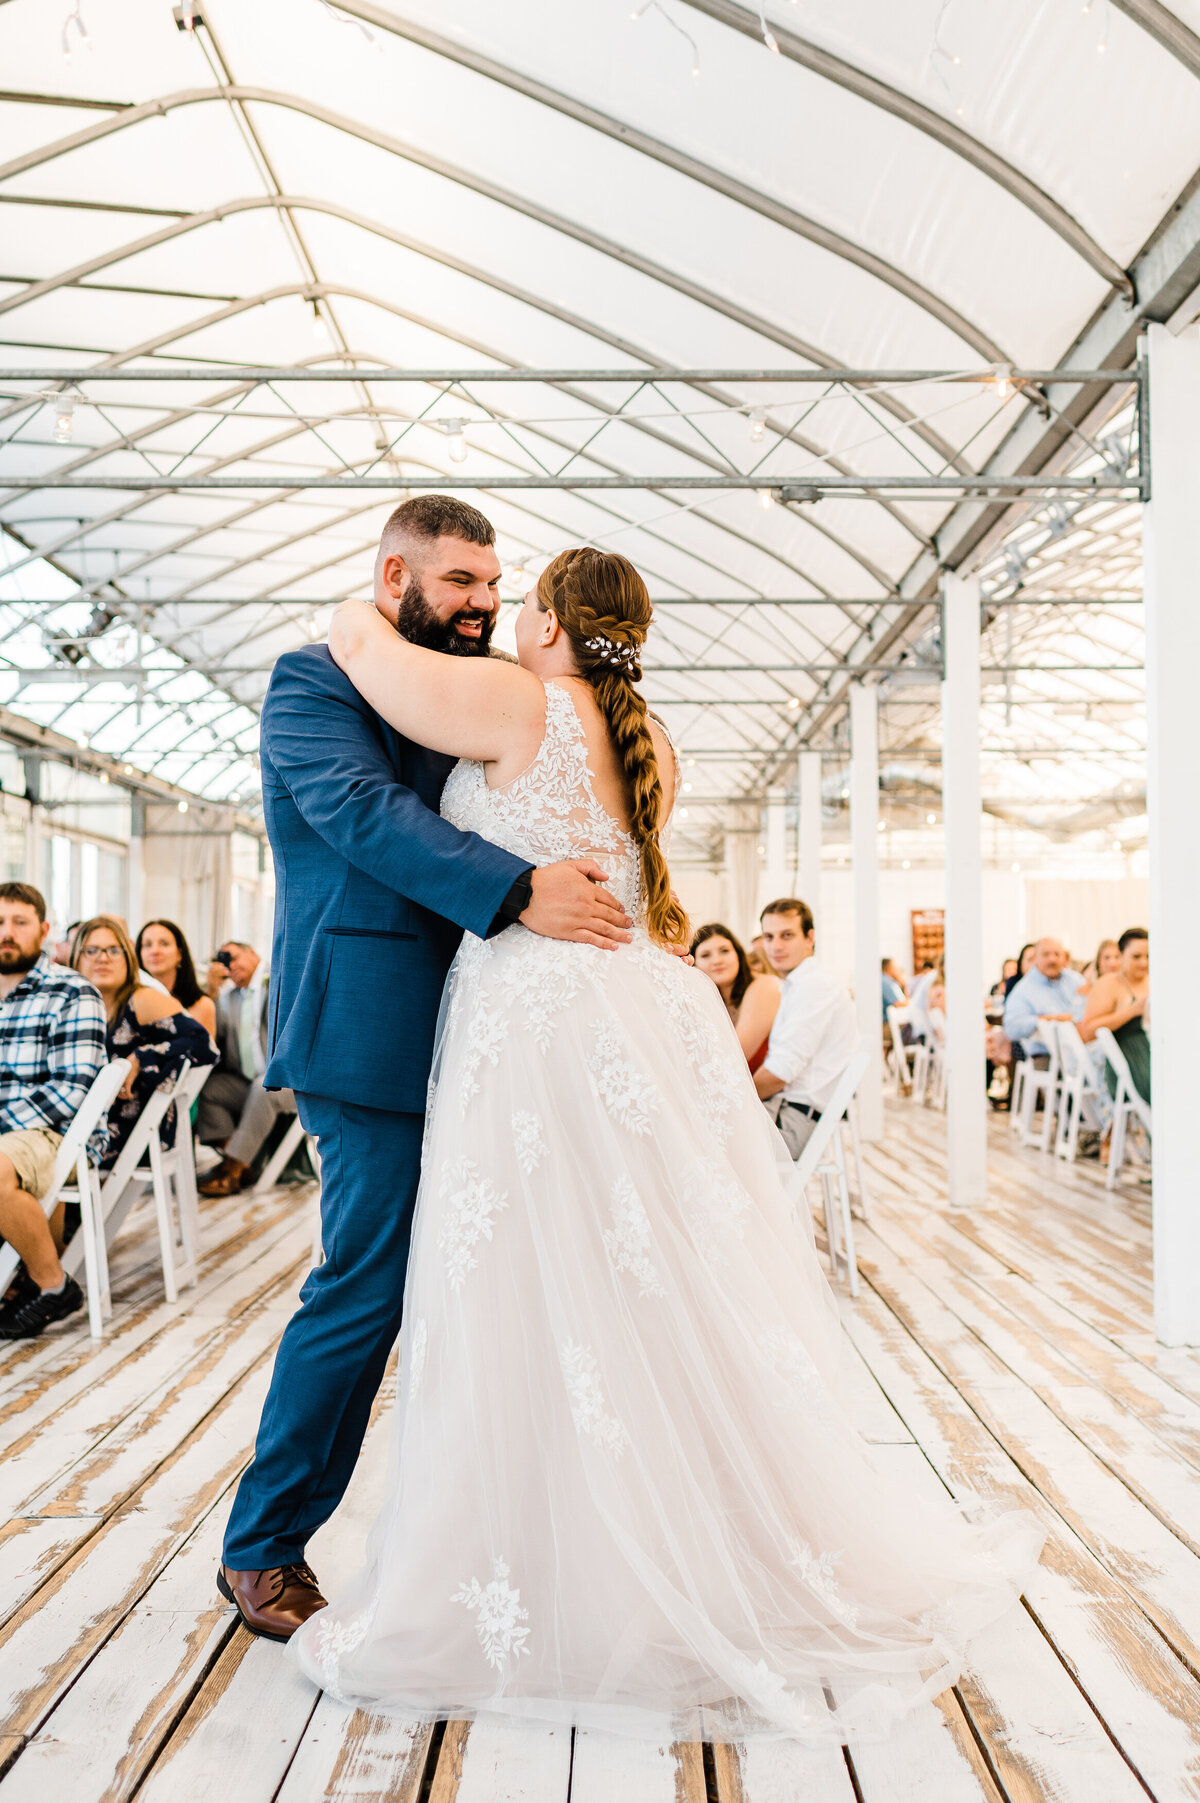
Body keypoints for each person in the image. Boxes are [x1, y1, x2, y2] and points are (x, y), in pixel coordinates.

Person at [284, 543, 1041, 1743]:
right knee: (637, 1288)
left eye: (516, 596)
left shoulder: (517, 697)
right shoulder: (653, 740)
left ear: (548, 625)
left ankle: (561, 1561)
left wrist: (353, 602)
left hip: (537, 1018)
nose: (500, 612)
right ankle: (677, 1539)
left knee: (528, 1288)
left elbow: (371, 658)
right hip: (627, 1016)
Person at [217, 497, 638, 1642]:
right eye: (460, 584)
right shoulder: (313, 682)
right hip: (368, 1030)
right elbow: (362, 811)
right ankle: (261, 1546)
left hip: (492, 1034)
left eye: (495, 587)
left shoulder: (482, 680)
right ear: (393, 572)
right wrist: (515, 889)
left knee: (495, 1284)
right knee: (370, 1285)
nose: (483, 606)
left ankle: (519, 1539)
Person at [0, 883, 107, 1341]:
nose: (6, 933)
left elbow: (72, 1089)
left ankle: (52, 1285)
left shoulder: (71, 991)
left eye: (19, 923)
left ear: (43, 930)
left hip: (57, 1131)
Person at [70, 915, 217, 1173]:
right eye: (91, 950)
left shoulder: (141, 999)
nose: (102, 958)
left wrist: (140, 1058)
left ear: (128, 957)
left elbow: (204, 1044)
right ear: (75, 959)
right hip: (80, 1122)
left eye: (113, 950)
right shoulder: (75, 1004)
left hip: (125, 1131)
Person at [752, 898, 859, 1159]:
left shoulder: (814, 986)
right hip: (787, 1112)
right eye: (769, 936)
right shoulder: (796, 985)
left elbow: (780, 1072)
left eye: (786, 935)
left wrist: (731, 1099)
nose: (775, 946)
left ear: (809, 937)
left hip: (791, 1121)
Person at [197, 941, 296, 1197]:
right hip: (247, 1081)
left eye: (234, 957)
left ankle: (231, 1172)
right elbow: (209, 1034)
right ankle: (242, 1161)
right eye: (223, 961)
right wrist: (212, 989)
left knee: (262, 1089)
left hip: (288, 1082)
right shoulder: (228, 998)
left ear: (253, 953)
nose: (230, 965)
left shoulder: (276, 980)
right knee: (209, 1089)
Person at [690, 921, 780, 1070]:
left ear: (738, 954)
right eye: (706, 955)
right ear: (695, 964)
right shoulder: (706, 1000)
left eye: (724, 951)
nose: (717, 960)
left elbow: (734, 1058)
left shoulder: (763, 985)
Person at [1079, 927, 1150, 1104]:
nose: (1143, 963)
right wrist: (1131, 1011)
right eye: (1136, 957)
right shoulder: (1109, 984)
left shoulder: (1154, 981)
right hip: (1129, 1058)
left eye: (1148, 956)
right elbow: (1087, 1031)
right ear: (1121, 955)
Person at [1002, 937, 1083, 1063]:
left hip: (1083, 1049)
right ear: (1035, 958)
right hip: (1046, 1056)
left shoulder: (1075, 980)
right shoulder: (1023, 989)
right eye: (1046, 954)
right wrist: (1049, 1019)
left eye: (1057, 954)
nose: (1052, 959)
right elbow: (1011, 1028)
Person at [135, 919, 218, 1039]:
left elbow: (205, 1054)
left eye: (164, 944)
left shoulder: (202, 1006)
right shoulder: (131, 1004)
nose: (155, 951)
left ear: (179, 954)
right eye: (147, 945)